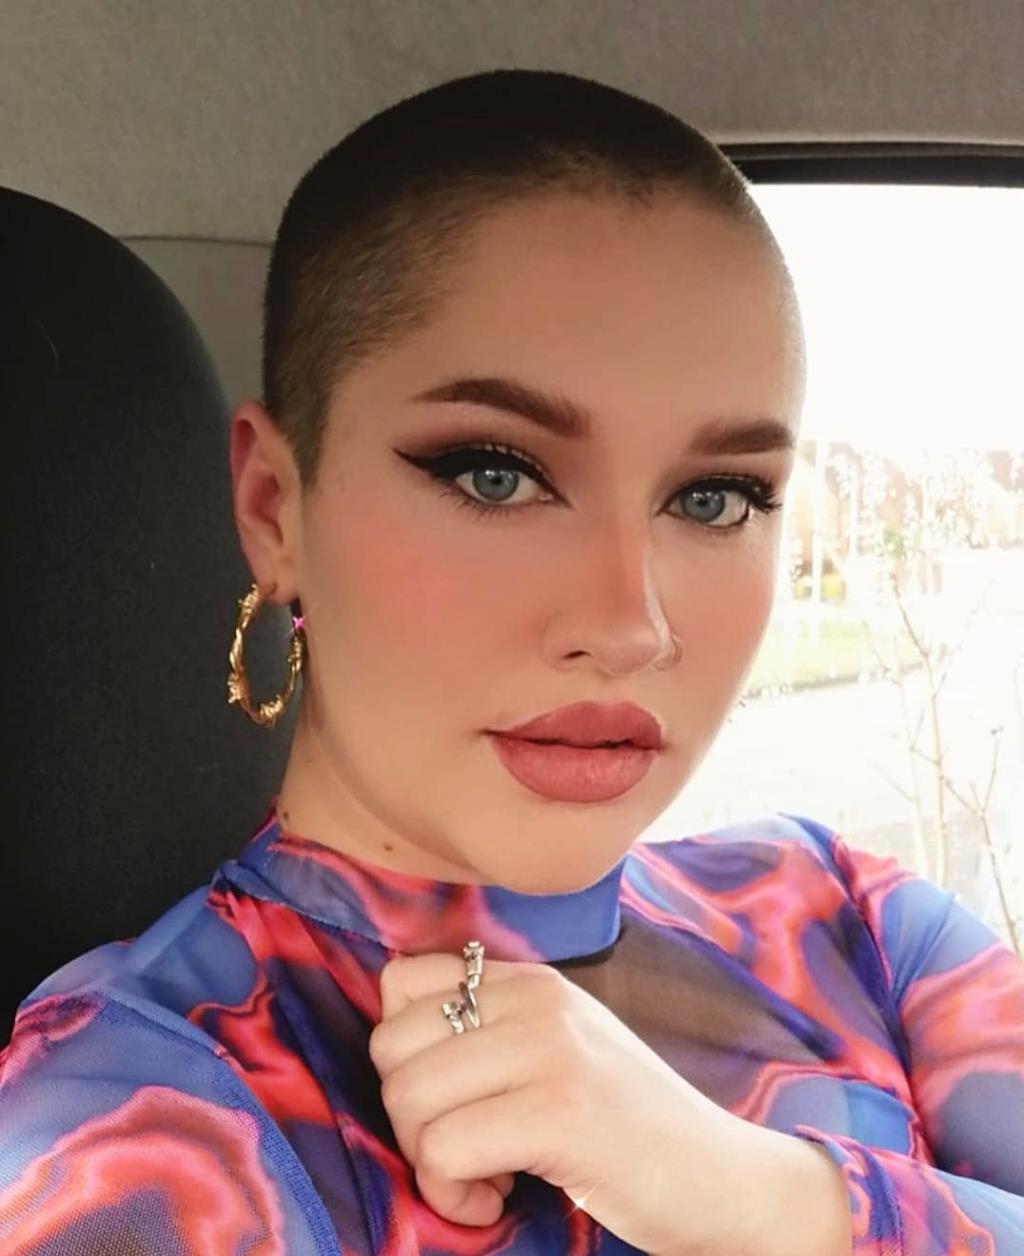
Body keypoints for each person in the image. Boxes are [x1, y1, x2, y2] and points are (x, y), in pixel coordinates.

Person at [1, 67, 1021, 1256]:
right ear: (276, 508)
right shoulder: (135, 1114)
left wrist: (770, 1199)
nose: (631, 623)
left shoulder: (850, 914)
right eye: (495, 473)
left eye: (715, 496)